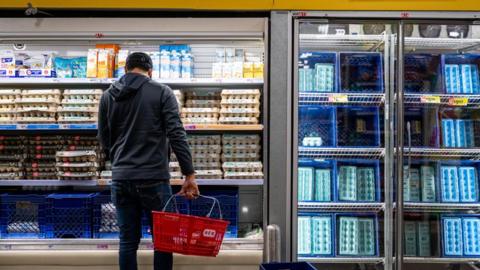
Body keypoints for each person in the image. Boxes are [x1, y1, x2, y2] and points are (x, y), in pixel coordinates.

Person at [98, 52, 199, 270]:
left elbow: (104, 139)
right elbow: (176, 134)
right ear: (150, 71)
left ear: (125, 70)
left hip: (122, 177)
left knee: (127, 242)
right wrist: (189, 174)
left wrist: (120, 161)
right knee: (163, 241)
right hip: (154, 178)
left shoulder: (107, 96)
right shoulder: (162, 92)